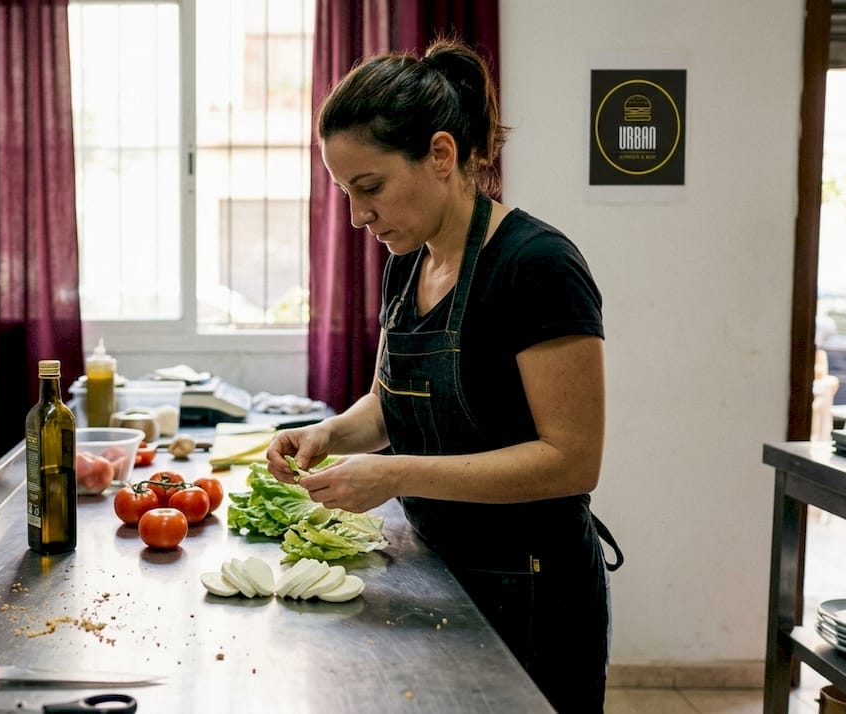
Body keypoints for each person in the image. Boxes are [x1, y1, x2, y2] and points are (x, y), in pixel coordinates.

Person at [265, 38, 622, 713]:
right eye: (345, 192)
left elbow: (572, 461)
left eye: (369, 188)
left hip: (533, 590)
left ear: (441, 155)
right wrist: (327, 434)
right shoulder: (408, 262)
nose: (356, 216)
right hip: (439, 571)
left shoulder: (536, 267)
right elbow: (388, 402)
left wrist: (396, 474)